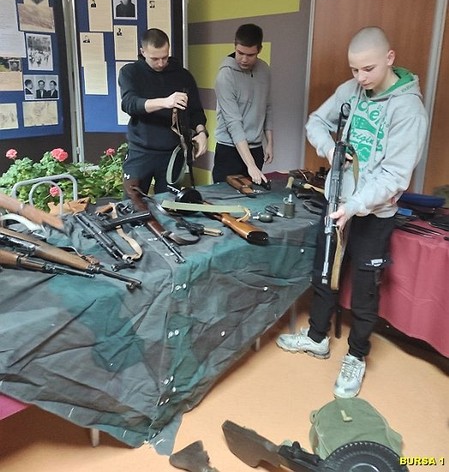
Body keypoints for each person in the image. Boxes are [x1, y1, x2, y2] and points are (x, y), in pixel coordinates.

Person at [276, 26, 428, 398]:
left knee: (364, 287)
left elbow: (395, 175)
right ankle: (317, 337)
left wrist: (356, 205)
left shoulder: (408, 109)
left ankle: (357, 355)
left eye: (368, 69)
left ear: (390, 58)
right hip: (337, 202)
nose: (360, 77)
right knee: (324, 272)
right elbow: (316, 122)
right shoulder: (351, 90)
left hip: (373, 213)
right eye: (354, 69)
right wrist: (331, 150)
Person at [119, 28, 208, 195]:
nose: (160, 63)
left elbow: (196, 111)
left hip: (172, 153)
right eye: (155, 59)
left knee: (169, 204)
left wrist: (202, 133)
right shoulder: (131, 72)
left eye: (165, 57)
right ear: (143, 52)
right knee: (132, 203)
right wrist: (166, 102)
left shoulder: (182, 75)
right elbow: (129, 104)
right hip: (140, 152)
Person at [212, 23, 273, 185]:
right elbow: (233, 123)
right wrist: (250, 165)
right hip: (229, 150)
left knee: (255, 197)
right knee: (224, 198)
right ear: (235, 46)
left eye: (250, 55)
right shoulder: (225, 76)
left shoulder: (264, 70)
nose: (244, 59)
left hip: (256, 148)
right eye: (240, 53)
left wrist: (269, 143)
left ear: (259, 50)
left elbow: (266, 106)